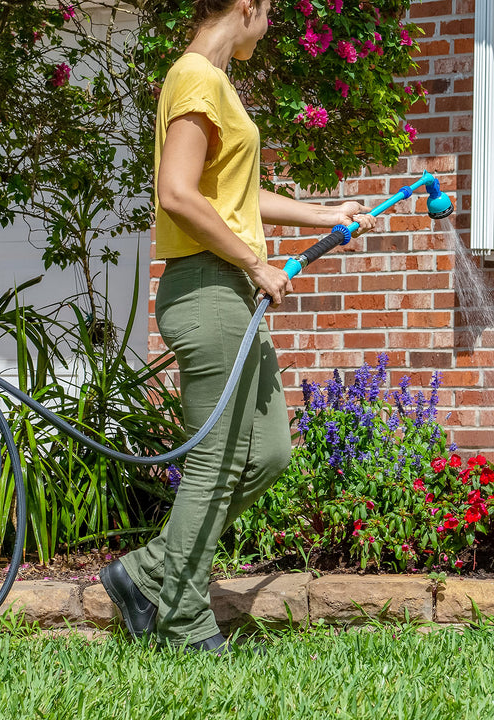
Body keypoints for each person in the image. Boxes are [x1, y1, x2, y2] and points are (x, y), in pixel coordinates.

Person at [100, 0, 376, 653]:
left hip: (229, 292)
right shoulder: (196, 76)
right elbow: (176, 192)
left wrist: (324, 213)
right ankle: (184, 624)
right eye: (271, 10)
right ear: (246, 4)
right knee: (214, 467)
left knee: (270, 451)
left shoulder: (214, 83)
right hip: (210, 290)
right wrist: (255, 263)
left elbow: (236, 197)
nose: (272, 23)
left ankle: (145, 574)